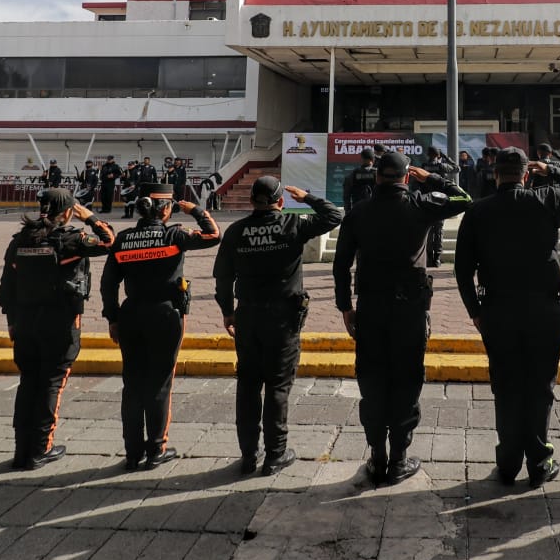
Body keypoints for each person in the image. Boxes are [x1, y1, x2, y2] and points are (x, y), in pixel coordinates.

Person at [455, 149, 560, 486]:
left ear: (494, 174)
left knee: (505, 385)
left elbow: (462, 269)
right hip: (544, 310)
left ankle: (507, 462)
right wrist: (555, 171)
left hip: (497, 311)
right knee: (539, 384)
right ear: (526, 174)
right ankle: (538, 461)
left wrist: (474, 311)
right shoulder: (546, 198)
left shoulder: (477, 211)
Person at [333, 152, 471, 484]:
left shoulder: (359, 212)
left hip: (370, 308)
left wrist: (345, 308)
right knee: (407, 381)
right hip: (410, 309)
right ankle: (399, 459)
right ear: (406, 177)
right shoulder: (420, 204)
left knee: (373, 381)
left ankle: (377, 456)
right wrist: (431, 178)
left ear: (377, 176)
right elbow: (463, 198)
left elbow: (341, 265)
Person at [214, 176, 343, 475]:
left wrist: (227, 312)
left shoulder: (236, 231)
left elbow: (223, 278)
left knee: (248, 386)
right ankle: (275, 455)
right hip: (283, 319)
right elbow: (334, 215)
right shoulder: (292, 225)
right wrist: (307, 196)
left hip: (247, 316)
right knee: (277, 386)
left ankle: (248, 456)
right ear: (281, 201)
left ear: (251, 201)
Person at [100, 183, 220, 470]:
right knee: (159, 383)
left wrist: (113, 318)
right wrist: (195, 210)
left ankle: (132, 453)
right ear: (166, 209)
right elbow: (214, 235)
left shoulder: (124, 238)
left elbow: (108, 283)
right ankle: (156, 450)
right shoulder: (174, 234)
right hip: (165, 315)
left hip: (130, 315)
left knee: (132, 384)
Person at [0, 189, 115, 469]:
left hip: (25, 322)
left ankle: (22, 450)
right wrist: (91, 218)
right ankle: (40, 449)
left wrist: (11, 322)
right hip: (59, 322)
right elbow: (110, 241)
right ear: (68, 212)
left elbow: (6, 287)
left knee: (28, 382)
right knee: (51, 383)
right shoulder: (71, 239)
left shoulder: (20, 241)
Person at [423, 147, 458, 268]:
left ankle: (428, 258)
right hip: (441, 201)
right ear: (438, 155)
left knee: (428, 230)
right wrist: (446, 157)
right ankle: (437, 259)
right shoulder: (442, 166)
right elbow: (456, 168)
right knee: (439, 231)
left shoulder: (424, 166)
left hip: (427, 201)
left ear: (428, 155)